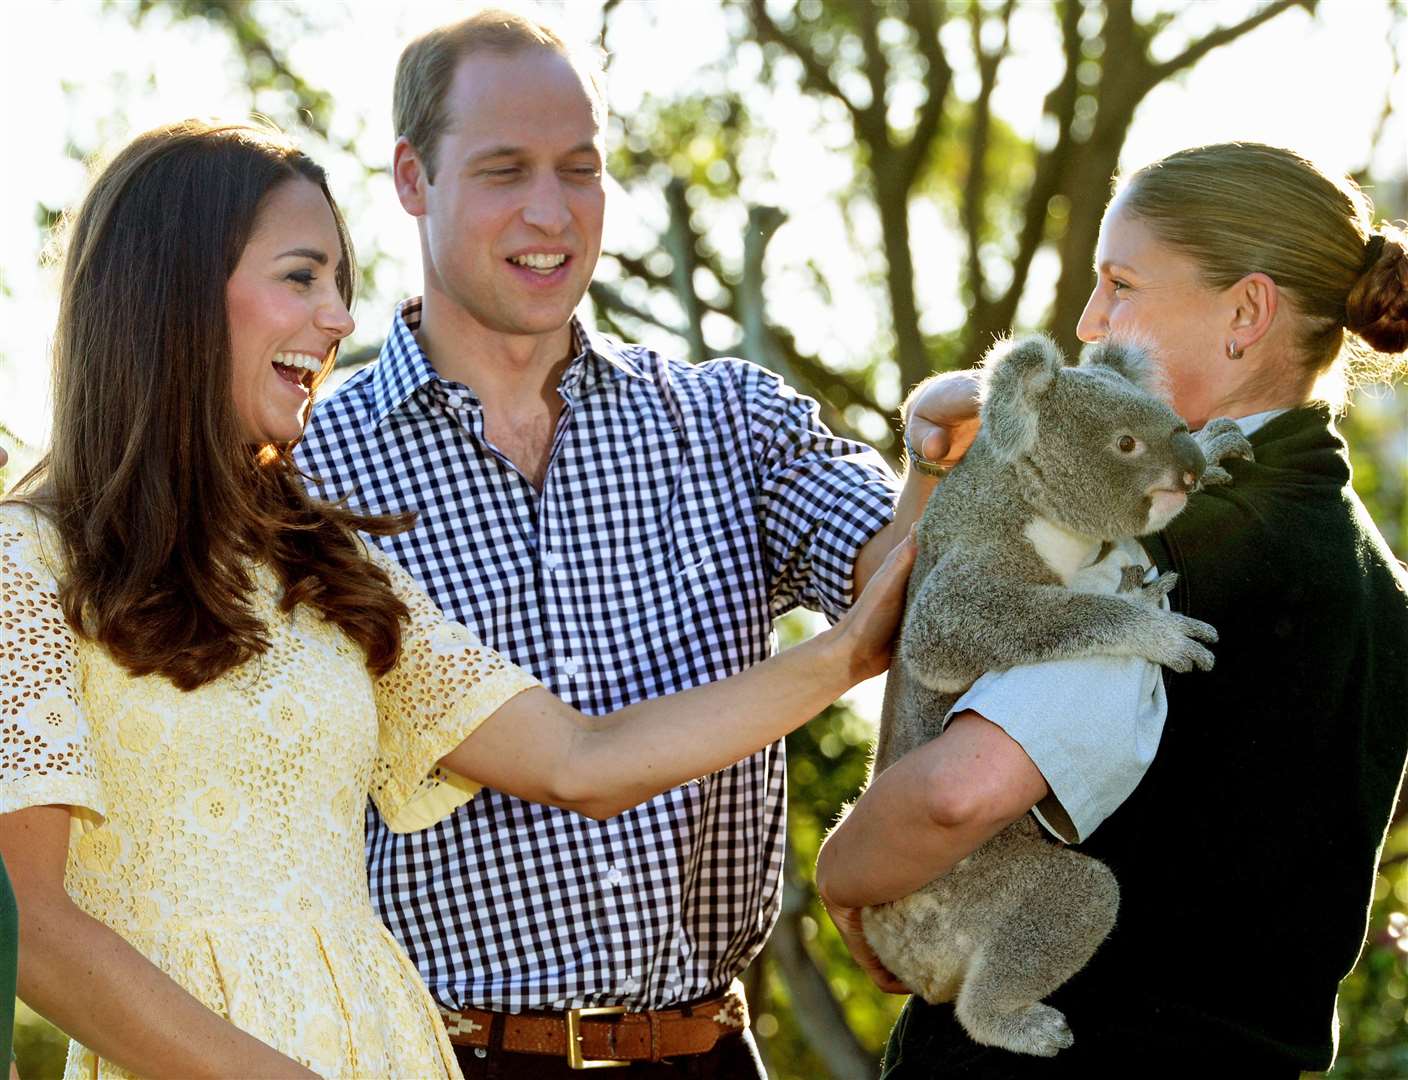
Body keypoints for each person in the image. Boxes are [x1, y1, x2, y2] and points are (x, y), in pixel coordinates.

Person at [0, 118, 921, 1080]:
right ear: (175, 292)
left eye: (341, 286)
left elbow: (580, 758)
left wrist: (845, 655)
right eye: (302, 277)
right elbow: (31, 924)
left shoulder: (320, 561)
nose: (339, 320)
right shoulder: (26, 563)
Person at [293, 10, 976, 1077]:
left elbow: (906, 592)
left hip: (704, 1051)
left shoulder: (731, 421)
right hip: (434, 1056)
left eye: (580, 169)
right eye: (505, 170)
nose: (550, 211)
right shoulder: (306, 473)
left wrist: (939, 463)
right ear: (413, 179)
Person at [818, 142, 1408, 1077]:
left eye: (1121, 283)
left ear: (1246, 313)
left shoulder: (1152, 535)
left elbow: (955, 793)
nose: (1091, 320)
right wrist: (936, 467)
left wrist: (844, 880)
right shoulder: (1376, 575)